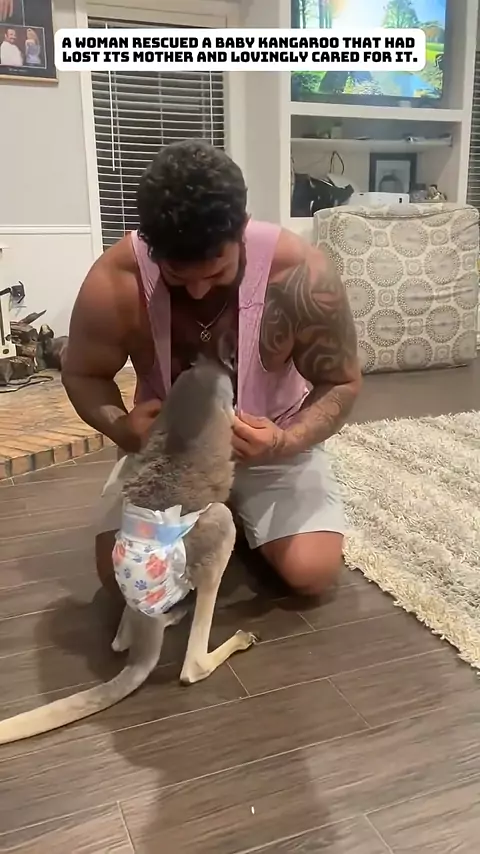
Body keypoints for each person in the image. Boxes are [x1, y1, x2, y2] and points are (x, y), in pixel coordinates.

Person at [63, 141, 361, 600]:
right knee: (128, 581)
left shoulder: (300, 271)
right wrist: (123, 428)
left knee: (311, 574)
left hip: (272, 441)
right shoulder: (116, 280)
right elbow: (83, 374)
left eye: (216, 272)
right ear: (150, 244)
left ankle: (234, 512)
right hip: (169, 451)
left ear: (241, 230)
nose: (199, 291)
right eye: (178, 278)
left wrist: (285, 441)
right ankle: (223, 516)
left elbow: (341, 381)